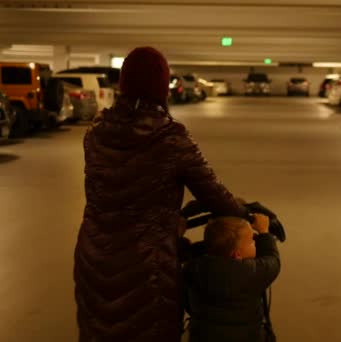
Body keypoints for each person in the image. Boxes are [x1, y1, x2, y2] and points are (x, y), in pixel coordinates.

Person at [73, 46, 249, 342]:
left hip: (94, 257)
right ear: (162, 87)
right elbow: (214, 196)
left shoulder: (96, 131)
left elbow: (114, 192)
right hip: (148, 269)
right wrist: (246, 215)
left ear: (123, 85)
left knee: (99, 331)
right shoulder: (171, 137)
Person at [184, 214, 281, 342]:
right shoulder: (252, 272)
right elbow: (273, 261)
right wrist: (264, 232)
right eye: (252, 241)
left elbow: (186, 301)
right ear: (237, 254)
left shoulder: (192, 268)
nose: (255, 243)